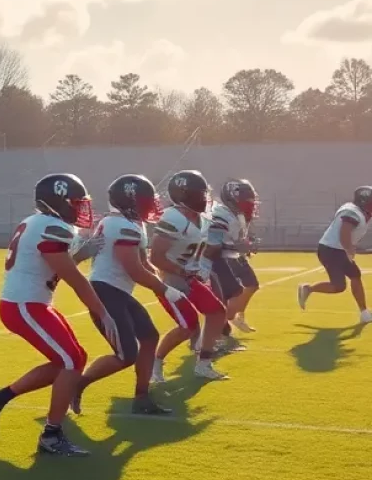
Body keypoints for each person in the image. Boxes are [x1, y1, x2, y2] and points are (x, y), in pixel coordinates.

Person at [0, 173, 118, 457]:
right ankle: (51, 435)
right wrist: (103, 313)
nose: (81, 209)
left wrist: (79, 255)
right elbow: (74, 279)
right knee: (70, 361)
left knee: (73, 358)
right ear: (60, 202)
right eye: (76, 203)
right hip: (24, 305)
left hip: (32, 302)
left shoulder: (37, 222)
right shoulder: (52, 226)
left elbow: (53, 265)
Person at [73, 175, 185, 415]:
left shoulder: (129, 223)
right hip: (106, 291)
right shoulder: (121, 225)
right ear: (130, 201)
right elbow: (133, 270)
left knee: (149, 337)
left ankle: (142, 397)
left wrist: (160, 281)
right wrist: (166, 289)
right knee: (126, 355)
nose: (150, 206)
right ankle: (77, 384)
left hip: (117, 291)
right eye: (145, 201)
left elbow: (143, 263)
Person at [149, 170, 228, 382]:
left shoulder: (201, 218)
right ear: (183, 195)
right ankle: (155, 362)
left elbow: (199, 249)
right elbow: (156, 257)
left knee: (217, 311)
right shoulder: (173, 217)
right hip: (171, 279)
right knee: (188, 326)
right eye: (198, 194)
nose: (203, 198)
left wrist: (200, 267)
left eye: (204, 194)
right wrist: (183, 271)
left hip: (188, 275)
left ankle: (203, 363)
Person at [298, 187, 372, 322]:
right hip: (331, 250)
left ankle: (364, 312)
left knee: (355, 275)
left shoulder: (358, 211)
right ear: (364, 201)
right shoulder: (352, 212)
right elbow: (344, 233)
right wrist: (349, 250)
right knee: (339, 286)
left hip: (338, 249)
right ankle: (308, 289)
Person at [208, 179, 261, 336]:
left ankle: (233, 318)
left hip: (234, 256)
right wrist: (240, 246)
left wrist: (247, 244)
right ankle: (223, 323)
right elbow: (214, 244)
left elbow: (236, 238)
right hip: (223, 259)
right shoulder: (221, 214)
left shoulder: (236, 214)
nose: (250, 203)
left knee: (252, 285)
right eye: (245, 200)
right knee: (227, 295)